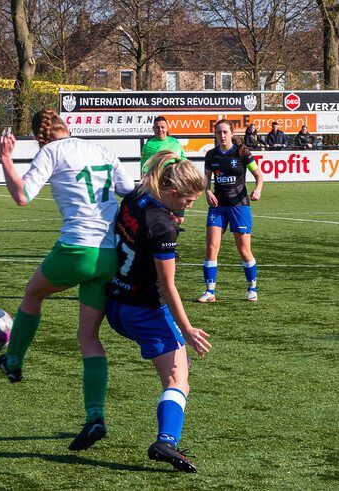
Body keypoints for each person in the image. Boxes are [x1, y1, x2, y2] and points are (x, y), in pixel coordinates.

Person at [0, 108, 135, 451]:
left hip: (77, 249)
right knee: (88, 336)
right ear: (67, 126)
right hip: (110, 253)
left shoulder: (50, 152)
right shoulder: (100, 149)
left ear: (40, 136)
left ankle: (13, 359)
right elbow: (129, 191)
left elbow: (22, 196)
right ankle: (95, 416)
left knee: (32, 296)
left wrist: (6, 158)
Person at [106, 150, 211, 472]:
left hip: (114, 302)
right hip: (145, 310)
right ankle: (166, 441)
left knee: (178, 365)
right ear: (172, 192)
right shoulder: (162, 225)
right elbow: (168, 286)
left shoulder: (139, 194)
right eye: (188, 202)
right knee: (179, 380)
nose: (189, 208)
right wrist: (189, 328)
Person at [198, 119, 263, 303]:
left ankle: (252, 288)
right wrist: (208, 191)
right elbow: (206, 179)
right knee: (211, 248)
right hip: (218, 207)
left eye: (225, 132)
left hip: (239, 205)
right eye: (219, 132)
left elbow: (259, 175)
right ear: (215, 134)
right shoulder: (211, 155)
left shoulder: (242, 152)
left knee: (243, 250)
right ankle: (210, 291)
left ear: (232, 133)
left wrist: (258, 189)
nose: (222, 135)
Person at [141, 116, 187, 226]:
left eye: (162, 127)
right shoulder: (149, 145)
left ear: (167, 128)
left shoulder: (174, 142)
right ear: (153, 128)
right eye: (157, 127)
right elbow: (145, 165)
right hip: (158, 184)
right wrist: (145, 179)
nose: (160, 130)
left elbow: (182, 159)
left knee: (180, 218)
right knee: (159, 213)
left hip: (175, 182)